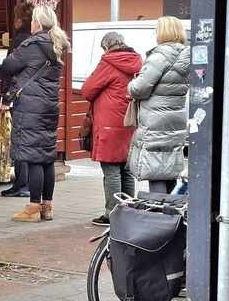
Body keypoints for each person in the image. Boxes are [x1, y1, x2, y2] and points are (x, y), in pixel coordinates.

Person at [4, 5, 69, 223]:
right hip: (49, 105)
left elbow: (8, 65)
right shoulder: (59, 44)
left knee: (32, 156)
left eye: (32, 20)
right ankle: (46, 206)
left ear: (38, 23)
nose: (30, 23)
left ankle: (33, 208)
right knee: (47, 156)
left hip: (30, 105)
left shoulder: (31, 45)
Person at [80, 32, 143, 225]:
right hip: (129, 120)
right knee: (127, 169)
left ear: (106, 47)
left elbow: (87, 90)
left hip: (109, 122)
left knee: (111, 169)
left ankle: (112, 214)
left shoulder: (108, 62)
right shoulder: (137, 61)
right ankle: (129, 210)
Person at [127, 16, 191, 195]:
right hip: (176, 118)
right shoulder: (187, 56)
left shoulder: (159, 57)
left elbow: (138, 89)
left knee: (155, 170)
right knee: (169, 169)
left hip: (155, 119)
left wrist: (130, 85)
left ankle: (157, 209)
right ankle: (171, 208)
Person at [0, 3, 35, 197]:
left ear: (20, 20)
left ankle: (22, 183)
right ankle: (30, 183)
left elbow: (9, 69)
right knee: (33, 140)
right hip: (37, 97)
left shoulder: (20, 40)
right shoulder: (39, 40)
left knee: (20, 140)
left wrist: (6, 98)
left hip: (20, 95)